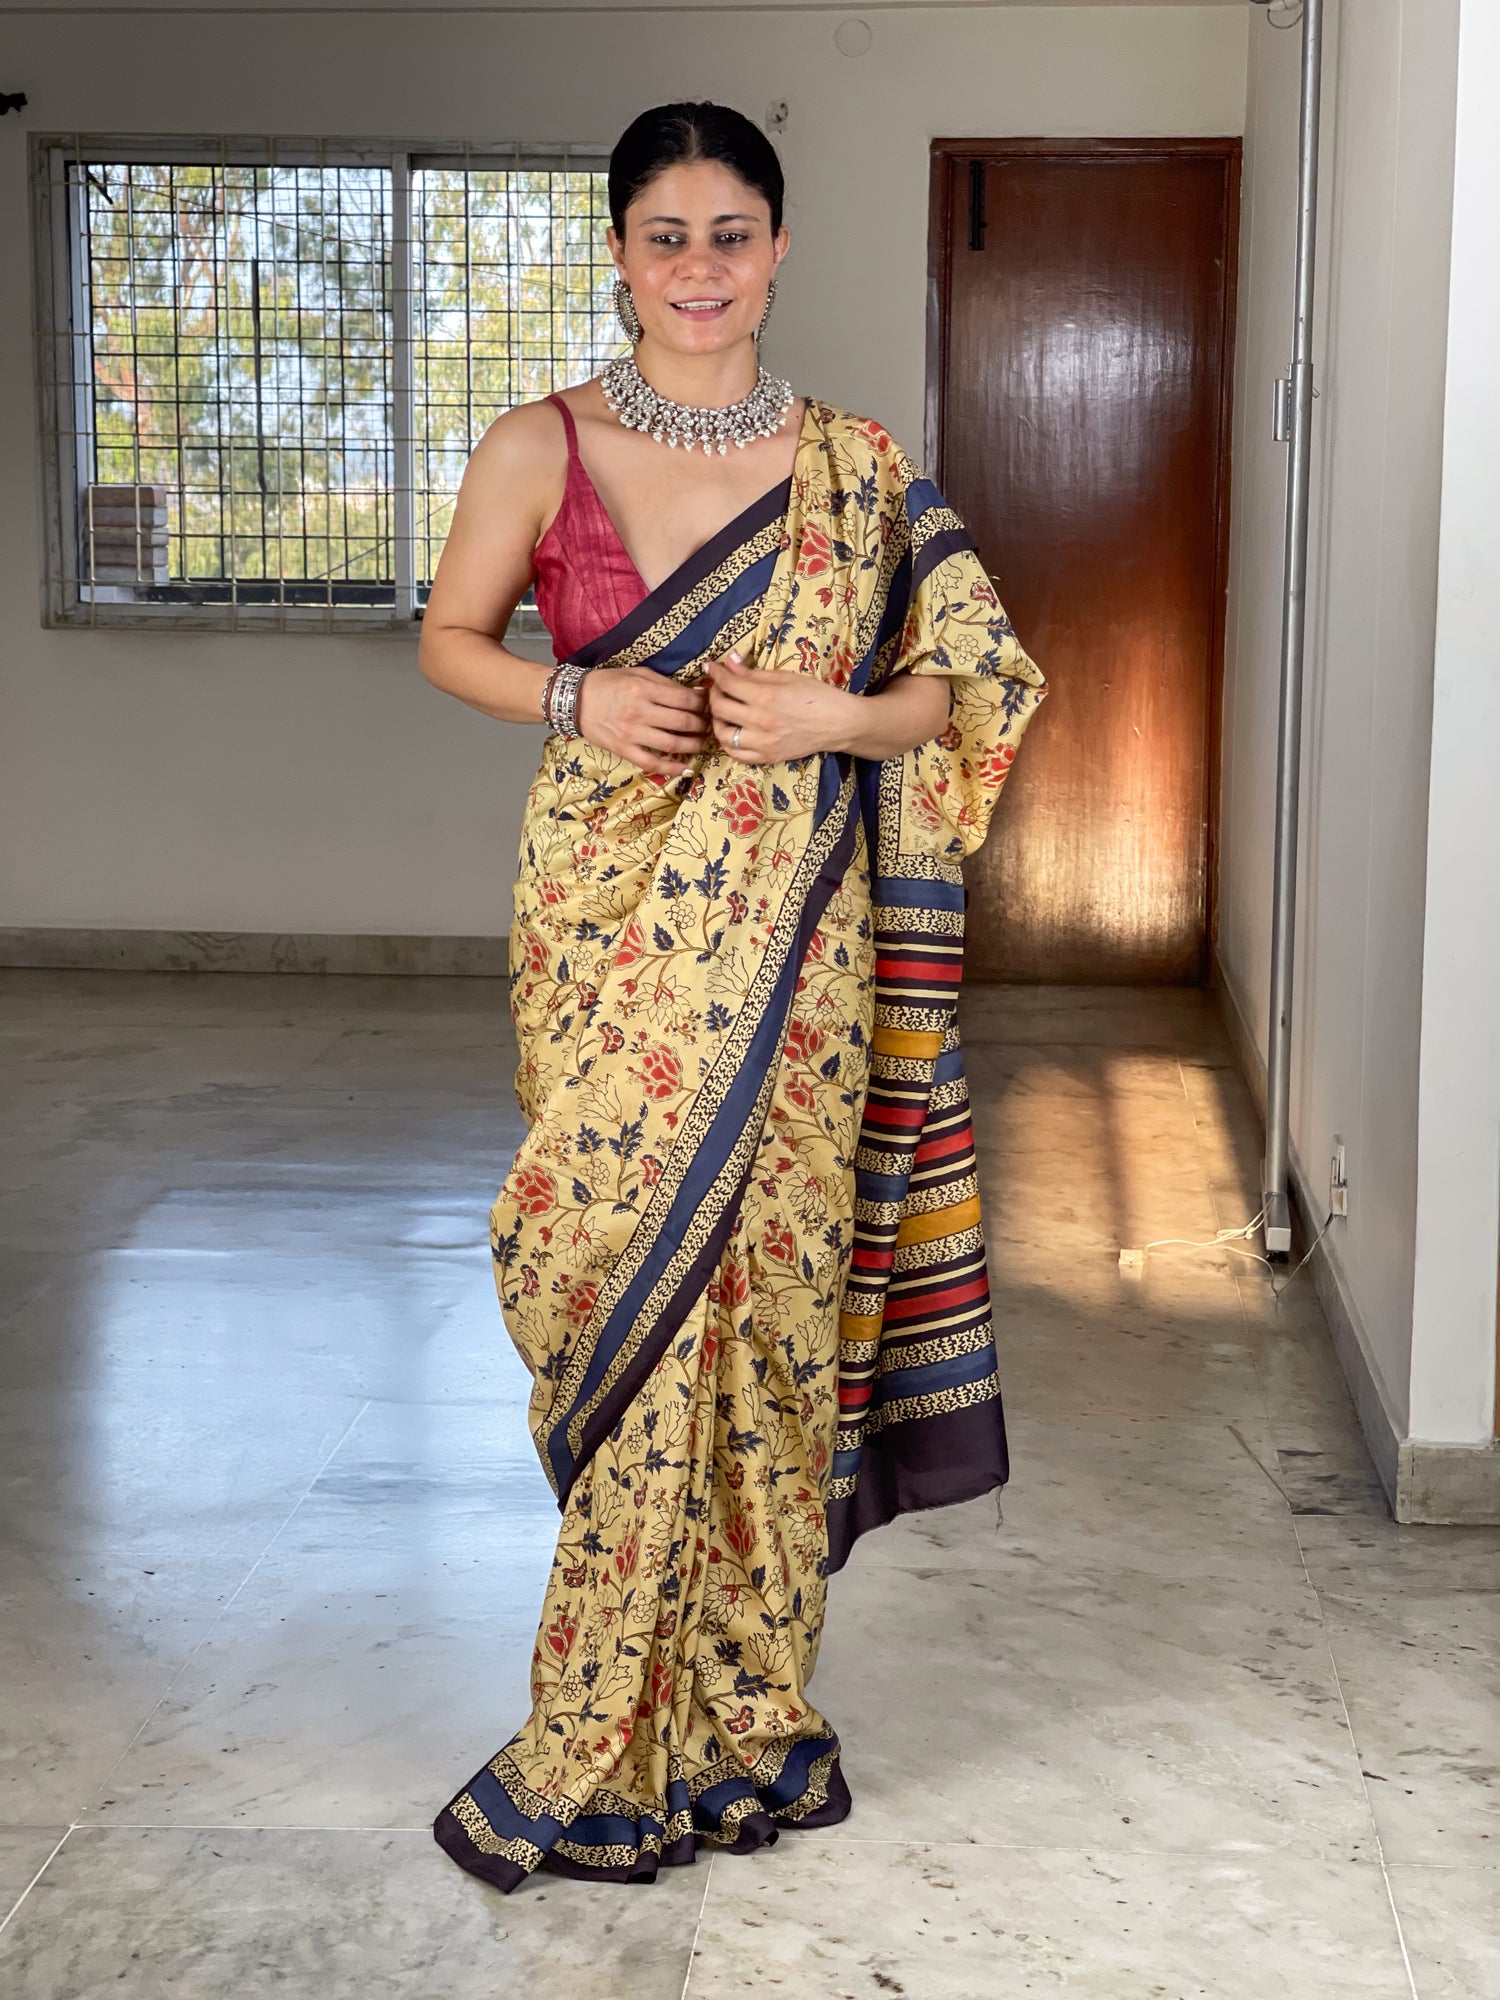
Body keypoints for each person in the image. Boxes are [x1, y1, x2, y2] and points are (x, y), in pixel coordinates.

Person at [419, 99, 1047, 1893]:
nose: (699, 268)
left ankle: (753, 1715)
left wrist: (837, 717)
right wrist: (577, 699)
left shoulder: (861, 467)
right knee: (620, 1267)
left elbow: (975, 682)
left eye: (731, 234)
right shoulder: (537, 445)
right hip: (607, 927)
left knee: (763, 1297)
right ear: (617, 255)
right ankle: (600, 1728)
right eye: (665, 236)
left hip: (802, 947)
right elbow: (450, 640)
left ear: (779, 250)